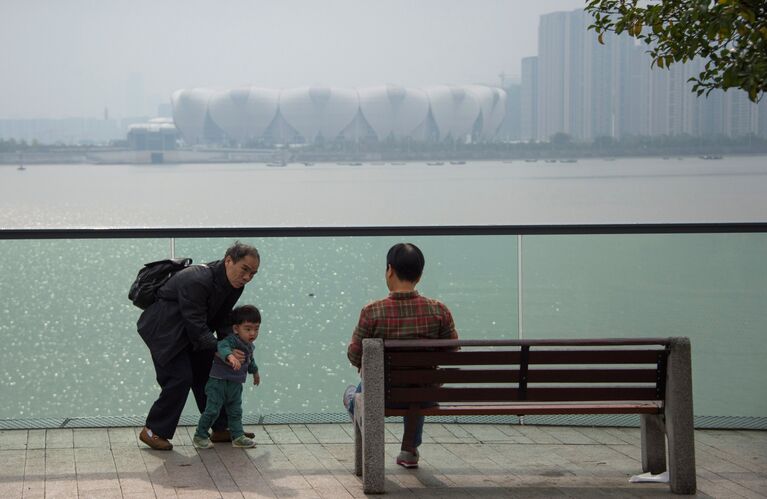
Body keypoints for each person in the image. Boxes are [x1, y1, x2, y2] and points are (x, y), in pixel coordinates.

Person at [343, 242, 458, 469]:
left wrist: (364, 364)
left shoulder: (372, 312)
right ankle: (409, 450)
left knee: (351, 395)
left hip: (382, 395)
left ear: (389, 269)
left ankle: (371, 443)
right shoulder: (439, 311)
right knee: (417, 385)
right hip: (424, 395)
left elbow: (354, 355)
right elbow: (453, 356)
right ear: (420, 274)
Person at [137, 241, 260, 450]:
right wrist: (223, 352)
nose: (247, 277)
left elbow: (222, 320)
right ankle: (152, 431)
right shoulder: (198, 279)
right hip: (165, 332)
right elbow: (195, 324)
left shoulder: (234, 285)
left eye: (253, 273)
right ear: (229, 260)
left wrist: (231, 349)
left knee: (211, 373)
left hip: (190, 333)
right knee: (180, 377)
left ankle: (220, 428)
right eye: (245, 270)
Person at [193, 304, 261, 449]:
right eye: (248, 329)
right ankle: (200, 435)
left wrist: (255, 373)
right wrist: (230, 356)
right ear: (236, 329)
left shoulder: (249, 346)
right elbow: (221, 347)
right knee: (212, 410)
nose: (252, 333)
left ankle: (238, 436)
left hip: (235, 384)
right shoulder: (230, 340)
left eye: (256, 329)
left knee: (235, 410)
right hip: (218, 382)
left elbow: (250, 360)